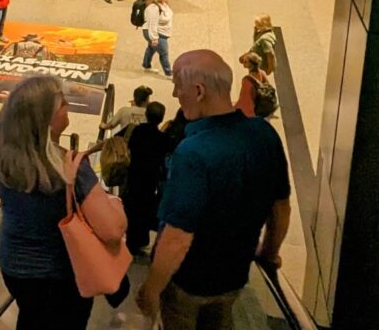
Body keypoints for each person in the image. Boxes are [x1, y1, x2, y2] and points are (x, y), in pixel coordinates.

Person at [136, 50, 291, 329]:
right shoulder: (265, 135)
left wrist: (152, 287)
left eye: (177, 86)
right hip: (234, 278)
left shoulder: (193, 152)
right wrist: (269, 254)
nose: (174, 95)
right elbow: (281, 208)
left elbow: (178, 237)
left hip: (188, 283)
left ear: (198, 91)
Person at [0, 75, 128, 330]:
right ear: (46, 120)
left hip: (15, 270)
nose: (68, 108)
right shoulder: (71, 166)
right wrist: (116, 206)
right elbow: (111, 231)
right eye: (63, 104)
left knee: (31, 317)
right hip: (63, 276)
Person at [124, 101, 170, 253]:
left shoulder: (137, 130)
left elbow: (130, 147)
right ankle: (141, 239)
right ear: (161, 118)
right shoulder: (161, 138)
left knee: (131, 206)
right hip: (150, 179)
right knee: (145, 208)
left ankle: (130, 239)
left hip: (134, 174)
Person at [142, 0, 173, 77]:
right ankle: (169, 74)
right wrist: (154, 38)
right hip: (155, 33)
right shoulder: (153, 8)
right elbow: (152, 24)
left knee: (151, 49)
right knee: (164, 53)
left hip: (160, 32)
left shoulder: (163, 4)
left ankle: (146, 65)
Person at [234, 52, 271, 118]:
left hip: (251, 112)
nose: (243, 63)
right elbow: (268, 86)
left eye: (245, 62)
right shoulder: (262, 73)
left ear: (251, 64)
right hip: (262, 106)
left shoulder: (247, 80)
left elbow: (244, 100)